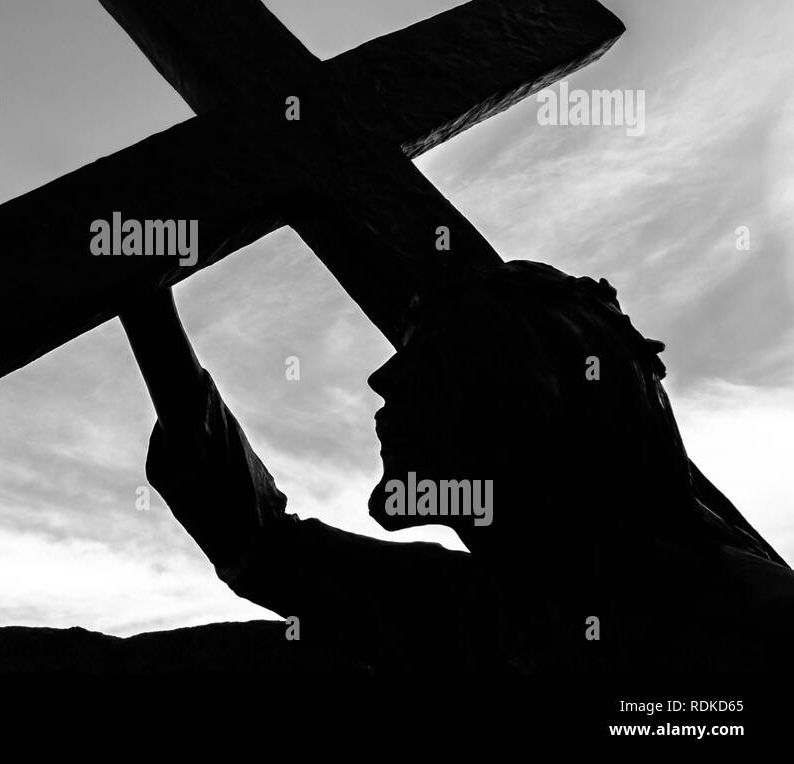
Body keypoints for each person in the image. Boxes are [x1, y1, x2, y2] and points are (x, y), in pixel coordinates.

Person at [118, 260, 794, 673]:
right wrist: (150, 319)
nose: (383, 381)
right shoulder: (489, 610)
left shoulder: (742, 617)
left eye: (435, 358)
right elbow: (267, 548)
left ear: (535, 401)